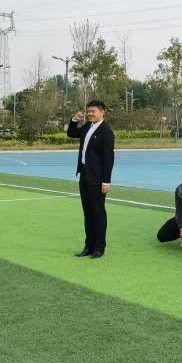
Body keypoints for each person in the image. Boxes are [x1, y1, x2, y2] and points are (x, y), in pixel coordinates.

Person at [67, 99, 115, 259]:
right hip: (84, 175)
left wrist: (106, 181)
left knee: (98, 213)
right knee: (88, 213)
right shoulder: (87, 126)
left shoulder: (106, 131)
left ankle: (99, 248)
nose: (89, 114)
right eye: (88, 111)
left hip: (97, 179)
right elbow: (71, 133)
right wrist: (75, 120)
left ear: (102, 112)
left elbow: (108, 159)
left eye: (93, 111)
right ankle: (89, 246)